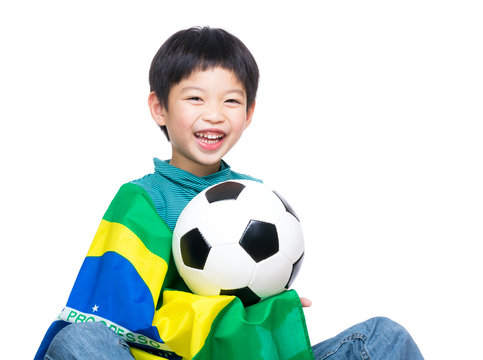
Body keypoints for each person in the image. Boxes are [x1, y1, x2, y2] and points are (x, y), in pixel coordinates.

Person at [35, 27, 424, 360]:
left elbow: (259, 301)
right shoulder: (142, 200)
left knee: (383, 337)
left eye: (231, 101)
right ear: (159, 107)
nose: (215, 114)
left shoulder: (257, 198)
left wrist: (272, 310)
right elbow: (117, 311)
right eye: (195, 98)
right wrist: (229, 315)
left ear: (249, 112)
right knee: (77, 340)